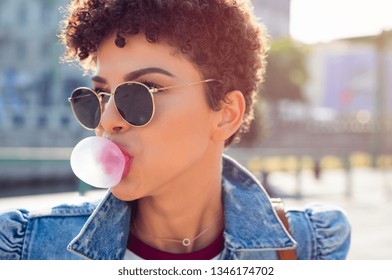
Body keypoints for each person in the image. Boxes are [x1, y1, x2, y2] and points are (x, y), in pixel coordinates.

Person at [0, 0, 350, 260]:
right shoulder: (27, 247)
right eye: (100, 95)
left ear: (226, 114)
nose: (107, 119)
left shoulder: (309, 245)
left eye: (143, 92)